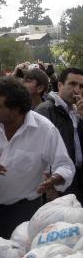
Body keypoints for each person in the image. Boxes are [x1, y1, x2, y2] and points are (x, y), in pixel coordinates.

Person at [0, 77, 75, 239]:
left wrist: (54, 179)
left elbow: (65, 166)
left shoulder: (45, 130)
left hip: (25, 211)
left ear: (17, 109)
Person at [35, 67, 83, 202]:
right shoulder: (45, 110)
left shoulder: (77, 110)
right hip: (58, 183)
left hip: (76, 178)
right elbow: (39, 151)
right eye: (72, 84)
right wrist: (52, 186)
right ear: (60, 85)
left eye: (81, 86)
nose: (77, 90)